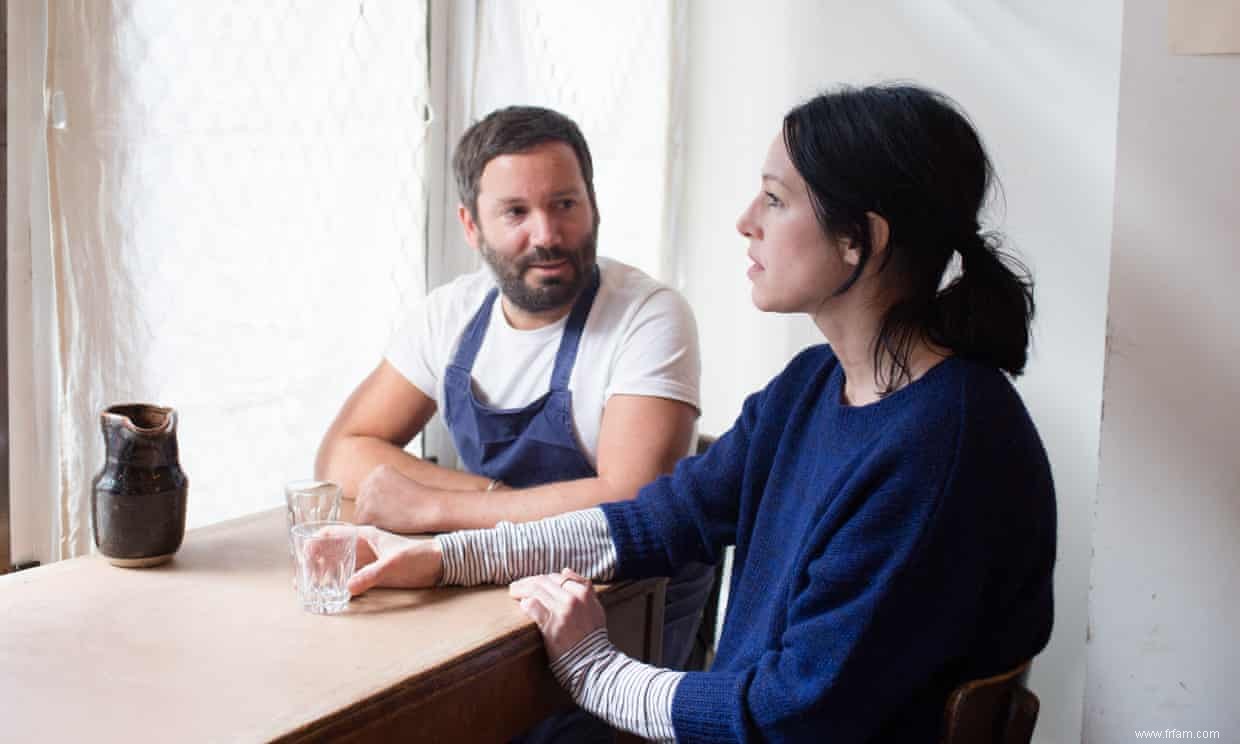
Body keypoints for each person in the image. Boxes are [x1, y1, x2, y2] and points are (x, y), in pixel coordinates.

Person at [341, 84, 1057, 742]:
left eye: (774, 200)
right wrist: (444, 558)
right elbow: (662, 519)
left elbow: (788, 714)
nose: (745, 221)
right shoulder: (814, 385)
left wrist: (593, 669)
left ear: (858, 239)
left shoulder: (943, 443)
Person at [316, 106, 716, 741]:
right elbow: (342, 455)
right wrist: (484, 499)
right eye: (516, 213)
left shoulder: (649, 316)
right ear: (470, 226)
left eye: (565, 204)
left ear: (595, 204)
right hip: (494, 581)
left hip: (627, 609)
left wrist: (432, 508)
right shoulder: (447, 316)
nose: (547, 234)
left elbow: (632, 498)